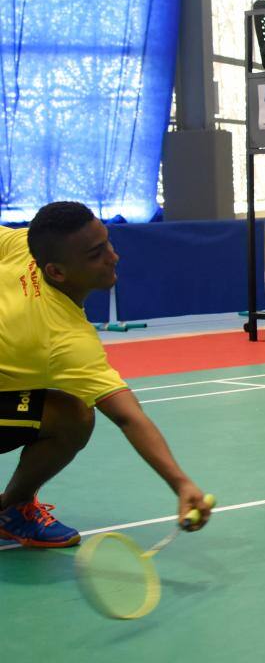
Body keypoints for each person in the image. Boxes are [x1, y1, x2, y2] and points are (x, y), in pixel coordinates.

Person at [0, 203, 213, 547]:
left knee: (73, 415)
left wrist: (179, 482)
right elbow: (129, 417)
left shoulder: (26, 247)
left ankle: (11, 509)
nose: (113, 257)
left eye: (108, 243)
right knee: (75, 417)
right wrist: (181, 483)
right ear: (56, 272)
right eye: (96, 253)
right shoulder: (65, 341)